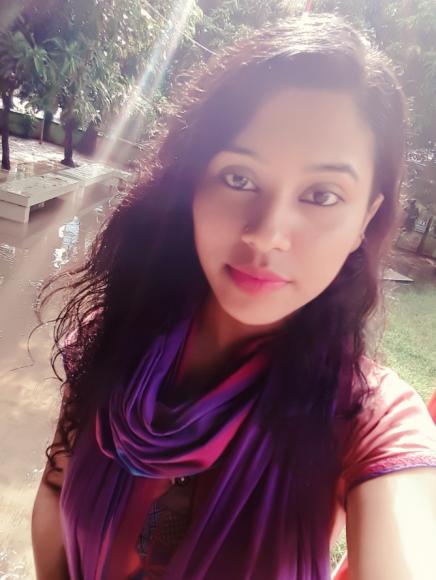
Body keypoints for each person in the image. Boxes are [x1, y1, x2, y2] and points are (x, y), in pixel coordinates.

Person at [31, 13, 436, 580]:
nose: (266, 234)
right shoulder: (111, 338)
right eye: (240, 178)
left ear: (365, 220)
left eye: (322, 195)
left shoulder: (368, 419)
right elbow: (55, 491)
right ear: (194, 184)